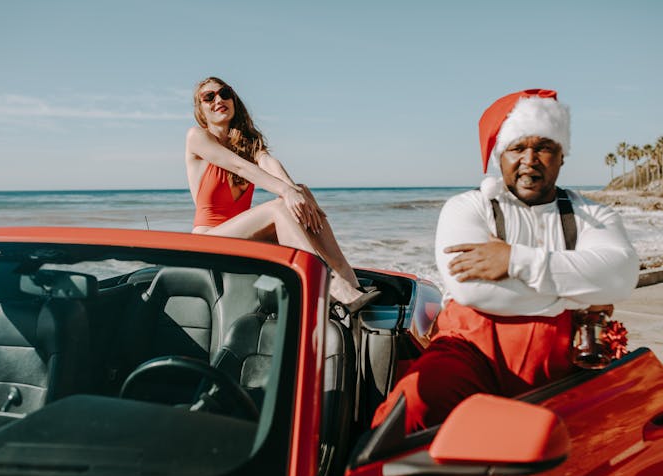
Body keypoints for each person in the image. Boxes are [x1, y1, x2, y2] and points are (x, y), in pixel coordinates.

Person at [371, 89, 639, 433]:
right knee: (412, 409)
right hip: (470, 353)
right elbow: (473, 292)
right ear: (501, 157)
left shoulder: (592, 214)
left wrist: (513, 260)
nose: (530, 159)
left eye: (543, 147)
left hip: (560, 360)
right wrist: (580, 290)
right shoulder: (469, 208)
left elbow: (621, 276)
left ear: (561, 157)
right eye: (517, 148)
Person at [185, 76, 379, 312]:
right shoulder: (197, 137)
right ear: (201, 110)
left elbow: (268, 163)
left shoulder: (248, 143)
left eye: (225, 93)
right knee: (278, 206)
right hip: (207, 241)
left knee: (301, 191)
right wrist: (285, 192)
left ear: (234, 100)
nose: (219, 100)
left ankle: (347, 279)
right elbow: (239, 167)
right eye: (209, 97)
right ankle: (325, 283)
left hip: (242, 241)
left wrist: (296, 193)